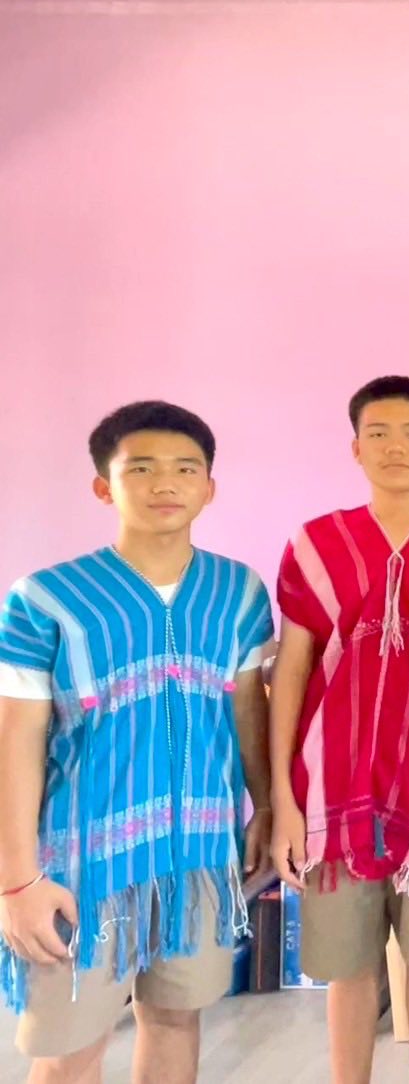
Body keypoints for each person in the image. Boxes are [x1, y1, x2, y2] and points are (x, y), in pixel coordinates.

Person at [0, 401, 274, 1083]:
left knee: (176, 1021)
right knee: (69, 1049)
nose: (165, 484)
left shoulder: (238, 592)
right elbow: (16, 738)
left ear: (209, 487)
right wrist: (17, 880)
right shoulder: (46, 599)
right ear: (104, 486)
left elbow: (249, 711)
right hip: (80, 865)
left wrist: (267, 808)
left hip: (199, 858)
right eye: (142, 469)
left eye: (185, 468)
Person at [269, 376, 409, 1084]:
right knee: (349, 969)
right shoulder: (315, 543)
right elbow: (292, 671)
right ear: (355, 448)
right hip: (330, 790)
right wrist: (282, 799)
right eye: (378, 433)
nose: (395, 447)